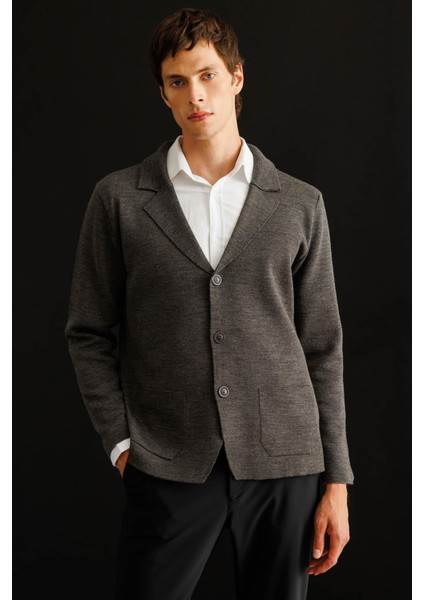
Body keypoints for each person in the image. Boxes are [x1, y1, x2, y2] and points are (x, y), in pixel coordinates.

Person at [65, 7, 354, 600]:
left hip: (286, 462)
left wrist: (337, 481)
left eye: (207, 75)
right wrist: (122, 444)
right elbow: (88, 332)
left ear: (237, 77)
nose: (195, 95)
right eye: (178, 81)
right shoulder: (120, 199)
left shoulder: (298, 203)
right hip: (168, 459)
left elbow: (322, 346)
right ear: (163, 93)